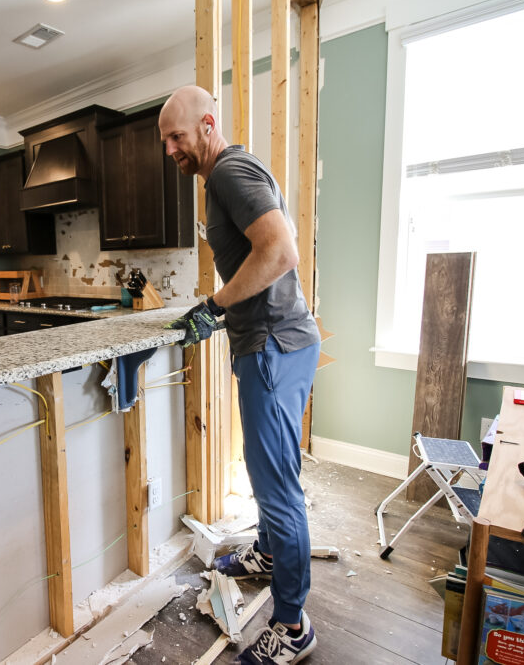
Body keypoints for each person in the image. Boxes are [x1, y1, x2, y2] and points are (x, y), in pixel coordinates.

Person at [159, 85, 321, 664]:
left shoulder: (228, 170)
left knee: (279, 490)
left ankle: (292, 624)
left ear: (207, 124)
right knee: (270, 470)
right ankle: (274, 555)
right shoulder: (225, 175)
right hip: (278, 342)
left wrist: (216, 305)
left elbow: (279, 250)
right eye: (166, 141)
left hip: (272, 345)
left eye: (177, 136)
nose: (172, 149)